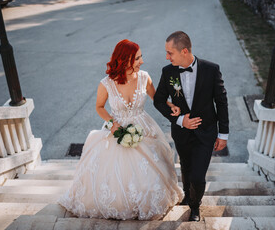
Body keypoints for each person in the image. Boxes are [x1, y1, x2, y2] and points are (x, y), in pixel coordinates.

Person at [58, 39, 183, 220]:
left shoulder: (144, 77)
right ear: (125, 60)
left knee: (149, 172)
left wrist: (171, 105)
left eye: (141, 57)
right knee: (115, 176)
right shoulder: (106, 83)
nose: (142, 61)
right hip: (116, 129)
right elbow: (99, 107)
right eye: (138, 58)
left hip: (143, 127)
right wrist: (112, 123)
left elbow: (157, 98)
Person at [154, 31, 229, 221]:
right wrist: (180, 121)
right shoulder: (168, 71)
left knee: (197, 175)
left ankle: (195, 207)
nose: (166, 57)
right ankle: (188, 196)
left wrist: (223, 134)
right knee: (186, 167)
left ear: (184, 51)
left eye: (170, 53)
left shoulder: (211, 70)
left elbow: (221, 102)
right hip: (181, 133)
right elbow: (159, 101)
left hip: (206, 132)